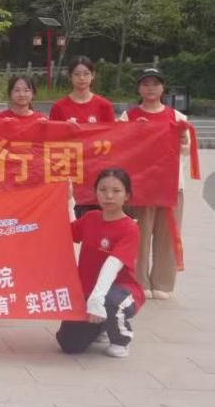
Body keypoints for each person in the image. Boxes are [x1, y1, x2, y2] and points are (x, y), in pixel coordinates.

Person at [56, 168, 144, 358]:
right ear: (96, 192)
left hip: (120, 291)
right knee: (69, 344)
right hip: (89, 291)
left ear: (127, 195)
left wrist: (97, 298)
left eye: (116, 191)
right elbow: (69, 231)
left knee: (111, 301)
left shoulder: (130, 228)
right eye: (103, 190)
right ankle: (102, 325)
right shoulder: (91, 218)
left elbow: (113, 264)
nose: (109, 196)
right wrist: (69, 201)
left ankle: (121, 339)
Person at [119, 68, 189, 300]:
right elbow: (119, 147)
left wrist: (182, 139)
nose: (150, 88)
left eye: (155, 84)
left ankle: (162, 283)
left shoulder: (178, 117)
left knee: (167, 236)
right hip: (140, 187)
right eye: (145, 84)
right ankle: (138, 280)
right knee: (139, 236)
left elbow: (186, 150)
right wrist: (133, 131)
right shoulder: (128, 116)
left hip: (171, 187)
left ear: (163, 88)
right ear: (139, 88)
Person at [49, 56, 116, 124]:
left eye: (86, 74)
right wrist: (66, 128)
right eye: (77, 74)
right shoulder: (58, 107)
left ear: (93, 75)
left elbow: (112, 130)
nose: (82, 78)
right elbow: (52, 130)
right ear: (70, 76)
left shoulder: (105, 106)